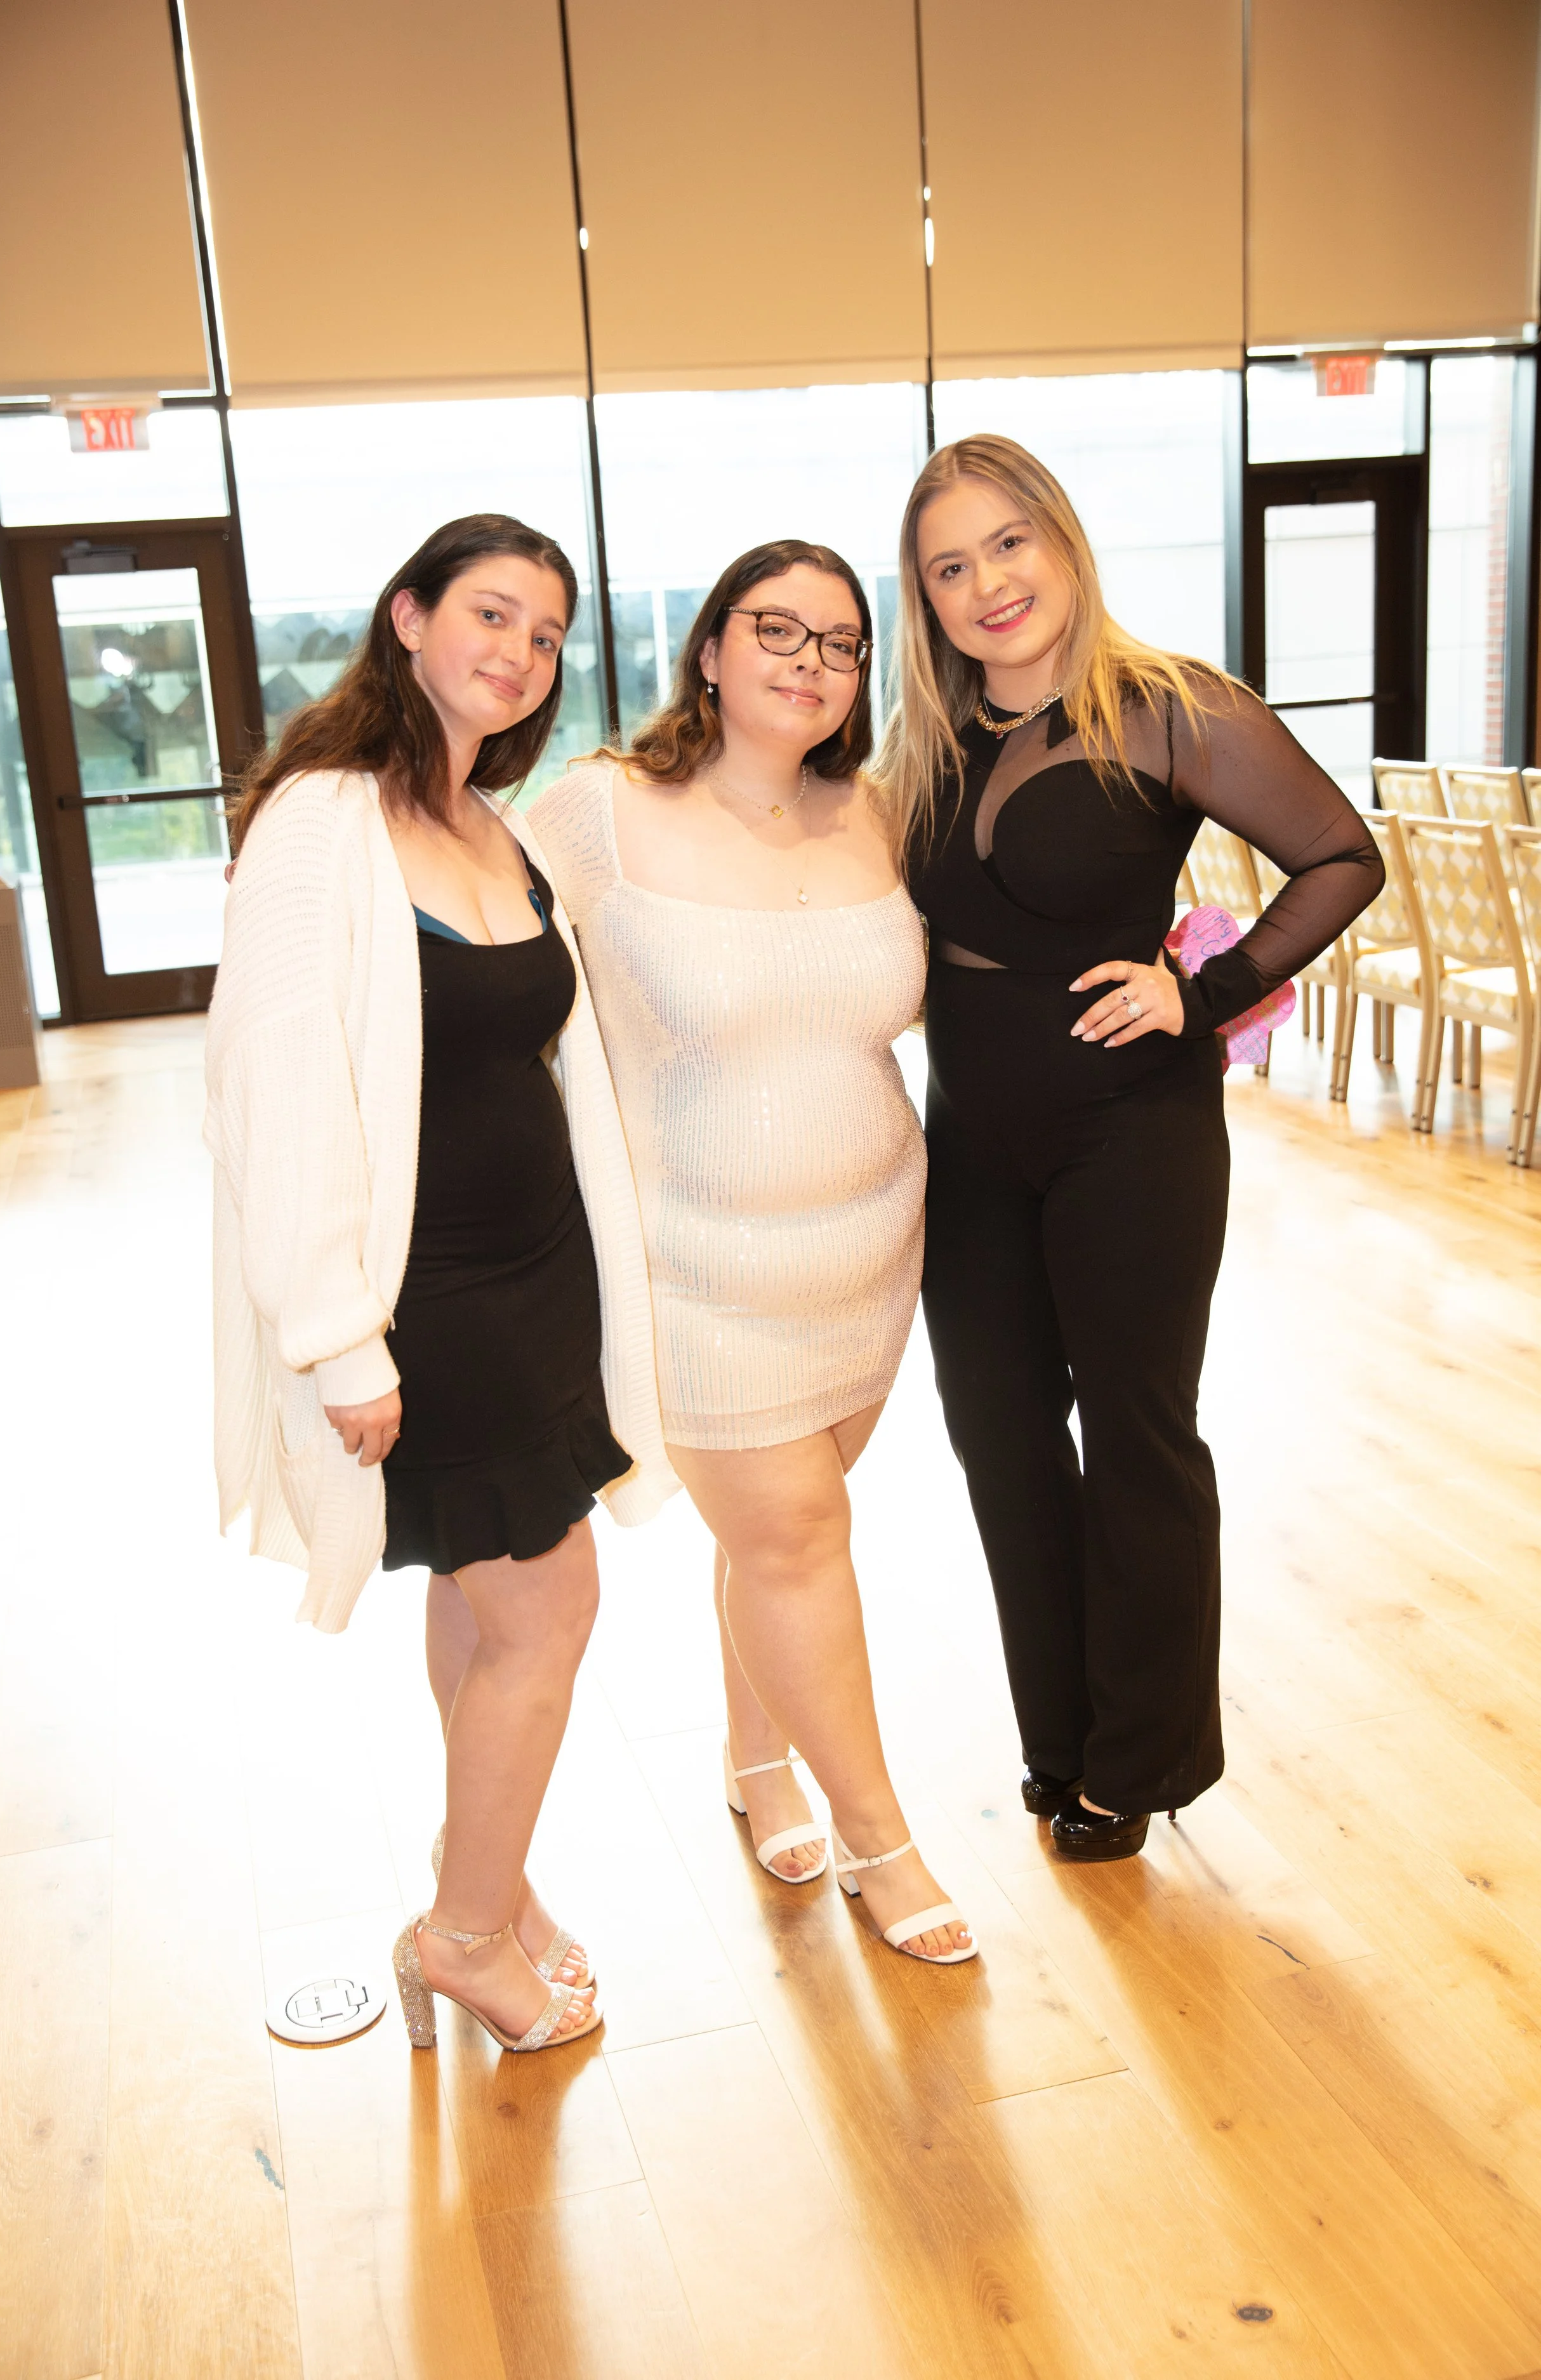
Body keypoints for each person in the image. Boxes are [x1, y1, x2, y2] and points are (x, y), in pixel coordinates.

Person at [206, 514, 676, 2053]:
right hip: (431, 1300)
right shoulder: (319, 823)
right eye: (489, 613)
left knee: (488, 1604)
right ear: (406, 617)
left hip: (540, 1278)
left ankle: (487, 1872)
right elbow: (276, 1089)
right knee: (551, 1607)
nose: (518, 653)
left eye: (545, 634)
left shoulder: (497, 822)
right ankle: (466, 1936)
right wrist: (339, 1341)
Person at [883, 435, 1383, 1860]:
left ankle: (1140, 1762)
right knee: (996, 1440)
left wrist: (1202, 991)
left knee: (1136, 1435)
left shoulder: (1165, 708)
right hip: (970, 1142)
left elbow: (1341, 855)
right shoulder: (925, 734)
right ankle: (1060, 1742)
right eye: (950, 566)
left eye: (1008, 544)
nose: (988, 584)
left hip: (1132, 1135)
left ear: (1060, 540)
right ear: (923, 596)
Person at [530, 539, 974, 1964]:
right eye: (772, 630)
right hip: (691, 1269)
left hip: (866, 1256)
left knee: (778, 1537)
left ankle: (756, 1758)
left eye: (840, 643)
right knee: (794, 1536)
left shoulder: (878, 812)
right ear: (707, 649)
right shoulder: (600, 812)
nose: (806, 661)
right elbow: (467, 949)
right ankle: (880, 1842)